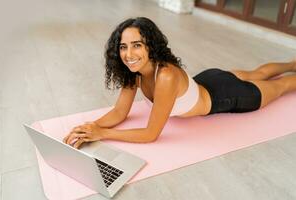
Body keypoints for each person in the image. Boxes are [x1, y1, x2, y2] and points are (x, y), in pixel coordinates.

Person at [63, 17, 296, 149]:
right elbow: (120, 111)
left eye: (136, 45)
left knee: (283, 86)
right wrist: (88, 129)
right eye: (123, 47)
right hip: (207, 79)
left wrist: (102, 133)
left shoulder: (165, 76)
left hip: (228, 96)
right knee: (256, 72)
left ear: (150, 46)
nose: (128, 53)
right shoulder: (135, 70)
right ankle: (291, 62)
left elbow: (150, 134)